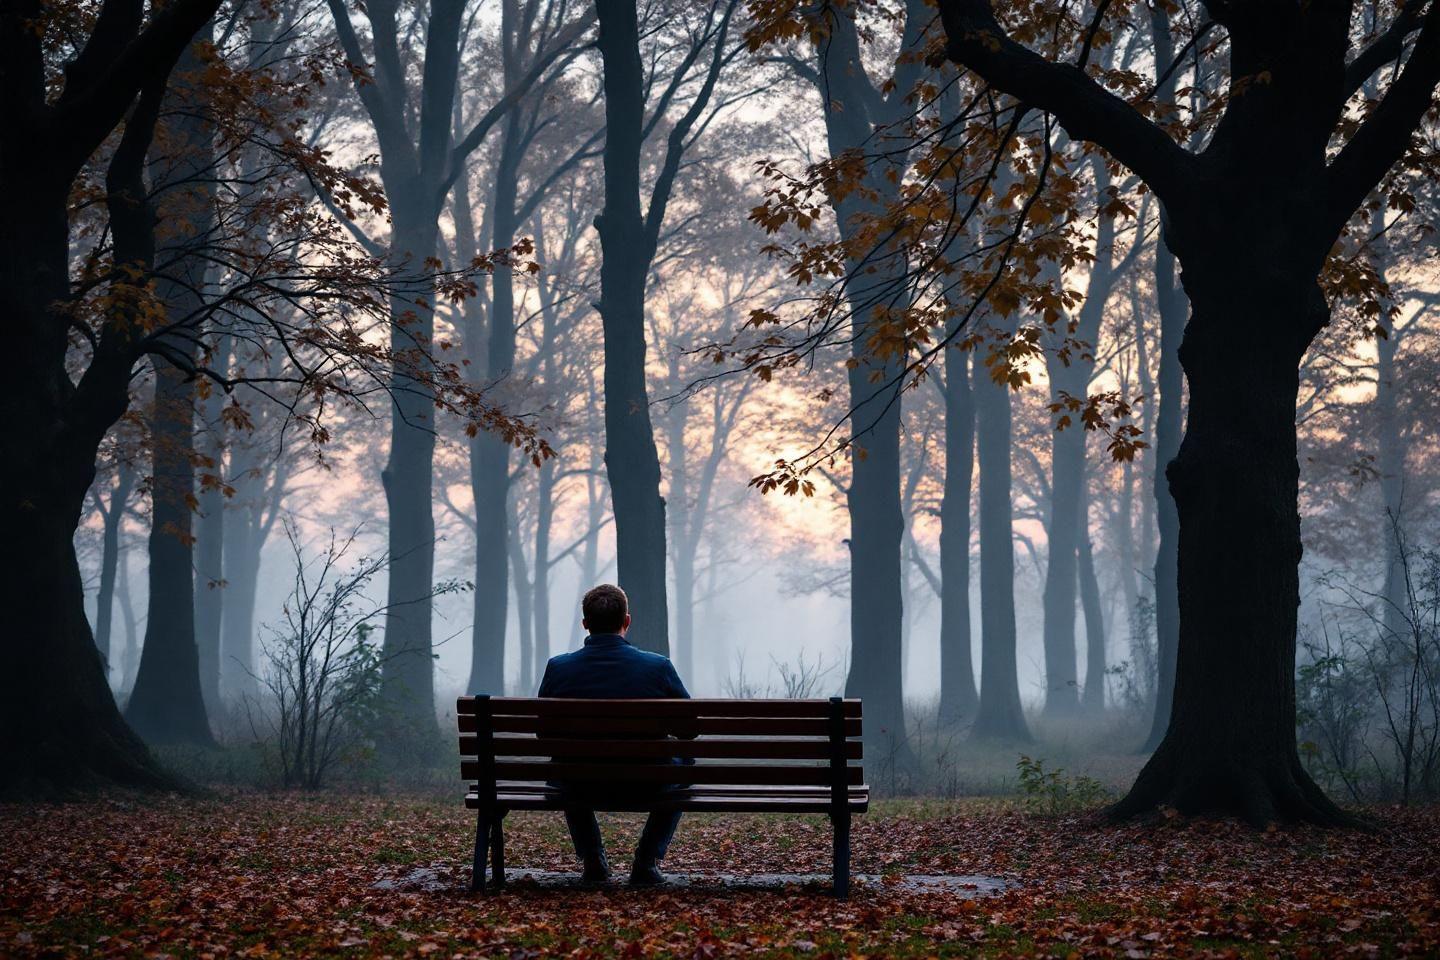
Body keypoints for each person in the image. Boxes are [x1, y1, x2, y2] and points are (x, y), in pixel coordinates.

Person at [537, 583, 690, 886]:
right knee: (684, 763)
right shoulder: (657, 667)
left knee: (565, 766)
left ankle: (593, 859)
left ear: (585, 624)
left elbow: (544, 733)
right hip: (646, 783)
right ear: (627, 621)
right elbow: (689, 729)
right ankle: (646, 861)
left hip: (580, 784)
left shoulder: (559, 668)